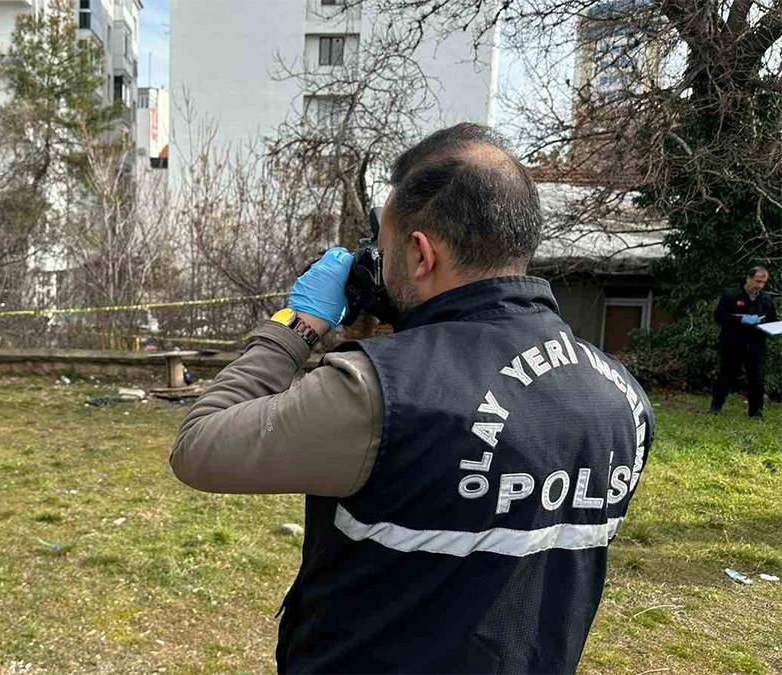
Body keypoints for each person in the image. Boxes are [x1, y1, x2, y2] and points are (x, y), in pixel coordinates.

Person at [169, 123, 655, 674]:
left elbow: (199, 444)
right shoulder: (622, 396)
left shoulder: (376, 391)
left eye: (383, 248)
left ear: (421, 254)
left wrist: (299, 323)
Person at [711, 267, 776, 417]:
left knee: (757, 378)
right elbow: (720, 316)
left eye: (763, 282)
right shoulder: (731, 295)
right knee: (726, 375)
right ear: (748, 278)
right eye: (757, 281)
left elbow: (772, 319)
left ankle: (756, 412)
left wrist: (766, 324)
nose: (759, 285)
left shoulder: (765, 299)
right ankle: (716, 406)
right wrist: (740, 319)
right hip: (733, 342)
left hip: (756, 343)